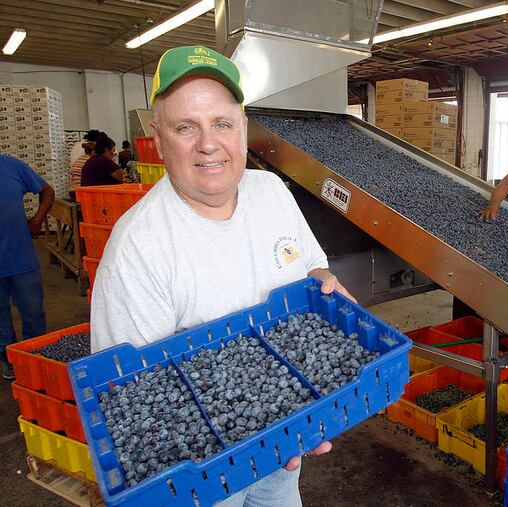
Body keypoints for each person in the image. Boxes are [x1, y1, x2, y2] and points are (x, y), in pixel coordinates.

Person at [90, 45, 342, 506]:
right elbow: (131, 401)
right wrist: (243, 437)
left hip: (287, 445)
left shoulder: (271, 192)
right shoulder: (138, 250)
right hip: (201, 479)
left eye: (222, 124)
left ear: (243, 128)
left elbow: (312, 266)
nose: (208, 143)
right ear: (158, 138)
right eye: (186, 127)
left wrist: (325, 281)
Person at [0, 155, 55, 380]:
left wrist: (38, 219)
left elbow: (47, 191)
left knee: (33, 312)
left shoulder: (10, 165)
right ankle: (9, 358)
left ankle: (35, 355)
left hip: (20, 258)